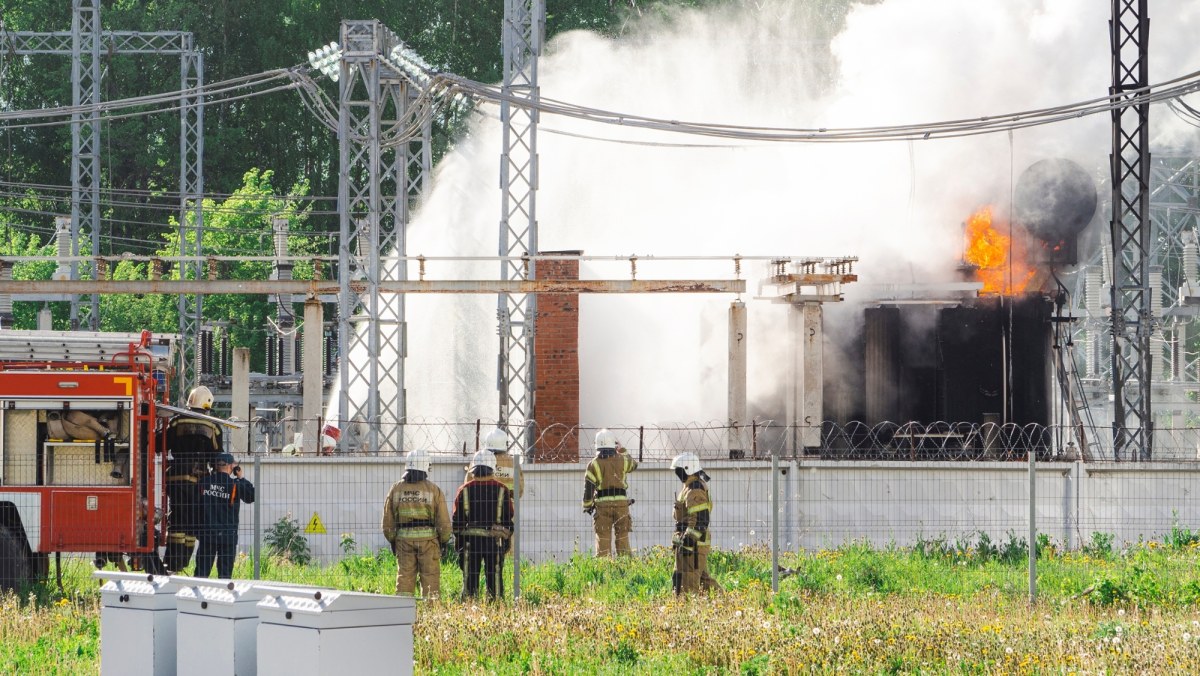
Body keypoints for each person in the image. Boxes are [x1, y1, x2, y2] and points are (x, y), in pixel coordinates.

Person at [164, 385, 224, 572]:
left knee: (177, 520)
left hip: (176, 476)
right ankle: (183, 563)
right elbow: (217, 457)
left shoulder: (175, 421)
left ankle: (172, 563)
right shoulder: (213, 426)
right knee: (192, 521)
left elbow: (162, 443)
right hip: (199, 479)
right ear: (207, 405)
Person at [382, 449, 452, 598]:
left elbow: (388, 522)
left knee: (404, 579)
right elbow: (444, 522)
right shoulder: (433, 490)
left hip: (404, 542)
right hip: (429, 543)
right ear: (426, 466)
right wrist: (444, 540)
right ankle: (431, 614)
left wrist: (393, 539)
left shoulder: (396, 489)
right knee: (430, 579)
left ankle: (403, 611)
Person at [451, 449, 514, 601]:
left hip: (470, 543)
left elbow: (456, 521)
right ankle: (496, 607)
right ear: (492, 467)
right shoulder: (502, 490)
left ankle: (470, 607)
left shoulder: (464, 490)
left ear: (474, 469)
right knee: (495, 576)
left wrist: (459, 539)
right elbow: (509, 517)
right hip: (494, 542)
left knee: (470, 579)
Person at [195, 453, 254, 579]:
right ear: (231, 467)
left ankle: (197, 593)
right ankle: (223, 595)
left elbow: (194, 506)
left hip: (207, 533)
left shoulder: (204, 482)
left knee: (201, 572)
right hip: (228, 535)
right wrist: (241, 477)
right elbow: (251, 496)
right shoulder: (235, 484)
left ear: (216, 466)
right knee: (225, 574)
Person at [670, 452, 720, 595]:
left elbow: (700, 520)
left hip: (694, 545)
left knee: (688, 583)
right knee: (703, 581)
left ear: (687, 469)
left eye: (678, 470)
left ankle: (687, 610)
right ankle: (728, 604)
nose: (677, 474)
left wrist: (688, 541)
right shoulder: (689, 487)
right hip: (688, 544)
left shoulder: (695, 490)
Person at [582, 429, 638, 557]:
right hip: (622, 505)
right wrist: (622, 450)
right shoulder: (623, 460)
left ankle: (604, 570)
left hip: (602, 506)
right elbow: (634, 465)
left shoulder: (593, 464)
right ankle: (625, 569)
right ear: (614, 445)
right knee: (622, 538)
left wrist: (587, 505)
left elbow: (588, 488)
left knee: (603, 540)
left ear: (597, 445)